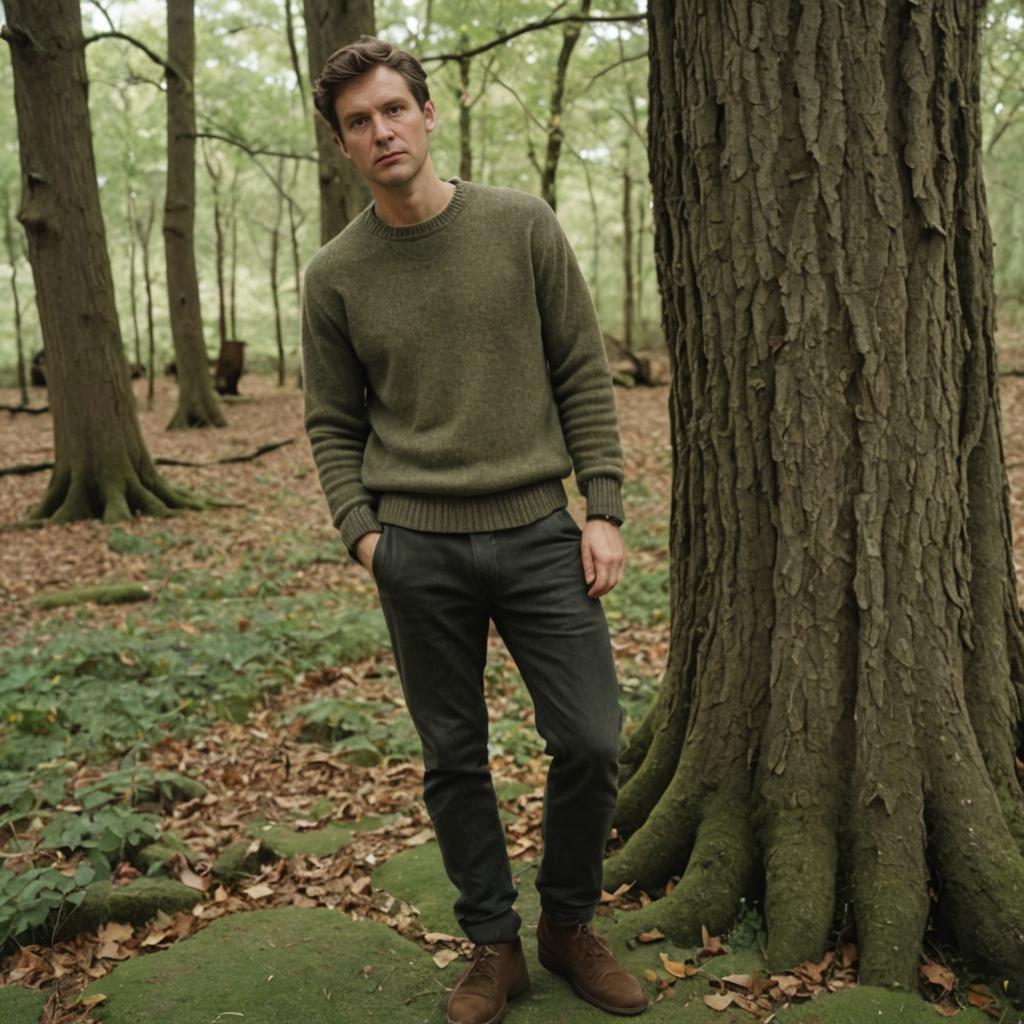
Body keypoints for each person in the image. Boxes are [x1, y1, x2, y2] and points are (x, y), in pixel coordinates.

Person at [301, 35, 647, 1024]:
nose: (380, 131)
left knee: (589, 738)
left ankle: (568, 923)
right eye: (358, 122)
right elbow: (331, 423)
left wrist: (603, 507)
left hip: (541, 531)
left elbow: (581, 369)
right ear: (344, 143)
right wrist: (368, 538)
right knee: (454, 757)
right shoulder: (335, 274)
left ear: (426, 113)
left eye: (391, 110)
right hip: (417, 548)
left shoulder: (521, 226)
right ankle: (491, 944)